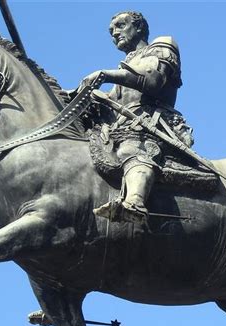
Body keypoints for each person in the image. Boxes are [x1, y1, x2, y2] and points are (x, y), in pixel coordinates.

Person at [82, 11, 193, 224]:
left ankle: (135, 202)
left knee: (133, 148)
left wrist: (104, 75)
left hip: (151, 124)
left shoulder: (162, 45)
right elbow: (111, 102)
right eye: (111, 31)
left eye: (120, 26)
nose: (115, 33)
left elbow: (153, 79)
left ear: (139, 27)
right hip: (122, 126)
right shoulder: (125, 65)